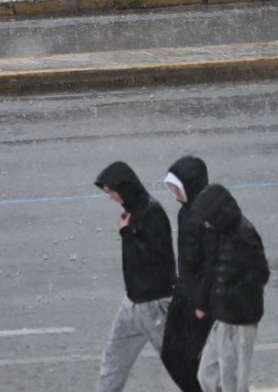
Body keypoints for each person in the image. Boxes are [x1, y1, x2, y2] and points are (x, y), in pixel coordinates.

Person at [94, 161, 176, 392]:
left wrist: (126, 233)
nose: (111, 197)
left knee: (180, 364)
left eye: (112, 191)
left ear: (125, 187)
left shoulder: (152, 213)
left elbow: (155, 259)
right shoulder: (133, 212)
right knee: (113, 362)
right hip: (132, 303)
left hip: (155, 304)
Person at [191, 183, 270, 392]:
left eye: (207, 217)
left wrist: (231, 294)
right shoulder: (224, 233)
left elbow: (261, 273)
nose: (205, 223)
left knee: (232, 383)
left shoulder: (244, 235)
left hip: (239, 320)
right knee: (207, 374)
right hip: (224, 316)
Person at [160, 156, 215, 392]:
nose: (173, 192)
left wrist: (202, 303)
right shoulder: (184, 213)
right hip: (183, 296)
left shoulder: (208, 220)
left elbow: (211, 264)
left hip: (201, 303)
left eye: (177, 187)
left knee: (192, 361)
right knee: (170, 356)